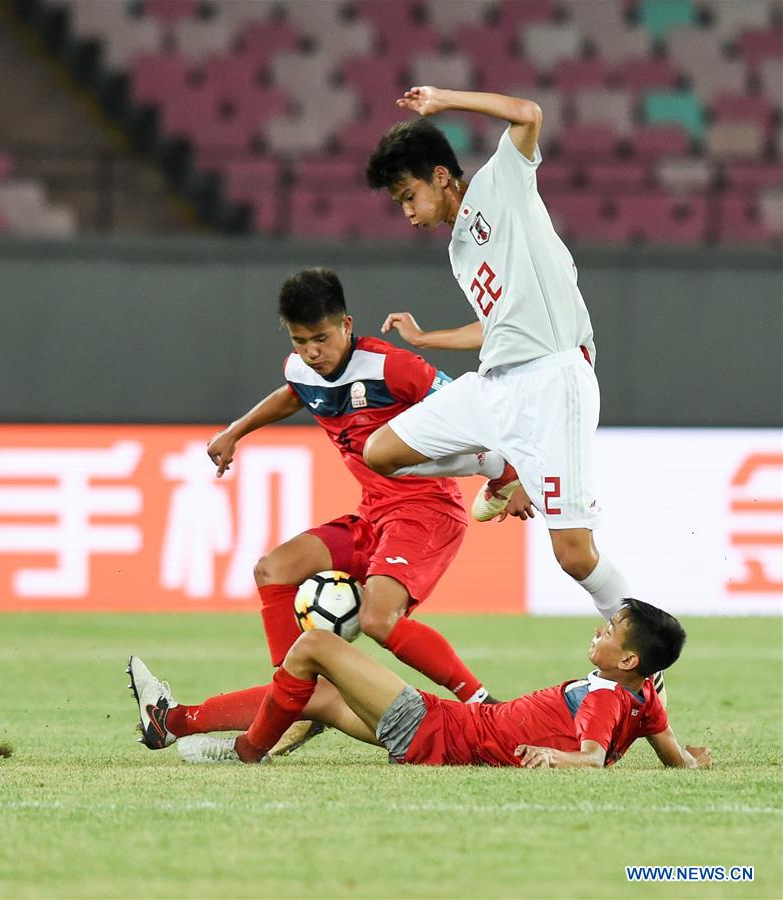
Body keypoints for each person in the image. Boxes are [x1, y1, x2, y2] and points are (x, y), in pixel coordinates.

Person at [130, 268, 512, 753]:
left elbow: (469, 407)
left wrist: (505, 475)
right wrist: (236, 431)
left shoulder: (391, 367)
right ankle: (294, 697)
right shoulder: (300, 367)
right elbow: (295, 393)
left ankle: (480, 703)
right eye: (300, 340)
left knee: (377, 620)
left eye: (322, 338)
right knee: (273, 568)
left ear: (347, 325)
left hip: (426, 511)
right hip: (373, 515)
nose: (312, 351)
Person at [361, 86, 661, 691]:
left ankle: (646, 677)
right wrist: (430, 337)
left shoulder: (504, 183)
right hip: (497, 385)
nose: (407, 211)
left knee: (575, 555)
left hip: (553, 379)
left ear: (442, 176)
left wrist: (442, 100)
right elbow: (497, 325)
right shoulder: (458, 248)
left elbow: (530, 114)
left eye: (409, 195)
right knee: (381, 452)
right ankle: (501, 467)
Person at [129, 599, 710, 770]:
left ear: (628, 659)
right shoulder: (644, 696)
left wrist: (559, 761)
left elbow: (588, 753)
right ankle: (171, 722)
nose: (598, 631)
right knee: (324, 697)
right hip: (451, 730)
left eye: (610, 630)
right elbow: (671, 757)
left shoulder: (607, 695)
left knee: (312, 648)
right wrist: (692, 759)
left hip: (440, 728)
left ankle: (248, 751)